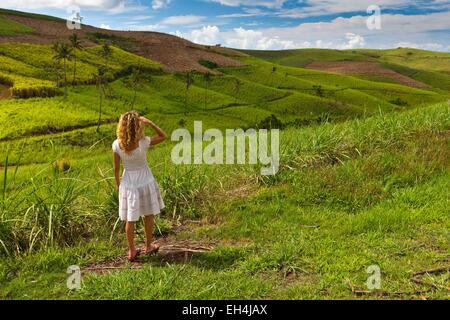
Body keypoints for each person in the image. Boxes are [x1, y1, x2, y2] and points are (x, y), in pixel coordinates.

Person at [112, 111, 168, 261]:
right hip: (145, 181)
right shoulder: (143, 142)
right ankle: (148, 246)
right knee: (148, 214)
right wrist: (150, 123)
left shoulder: (117, 145)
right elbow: (164, 136)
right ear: (138, 126)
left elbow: (116, 169)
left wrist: (119, 186)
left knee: (130, 219)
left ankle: (132, 251)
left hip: (128, 183)